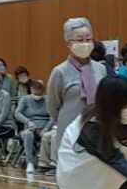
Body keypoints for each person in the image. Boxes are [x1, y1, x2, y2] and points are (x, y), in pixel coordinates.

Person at [46, 17, 108, 161]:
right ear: (69, 44)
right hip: (70, 134)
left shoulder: (100, 69)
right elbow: (53, 107)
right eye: (79, 40)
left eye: (88, 39)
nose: (85, 43)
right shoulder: (59, 72)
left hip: (96, 132)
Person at [15, 80, 52, 173]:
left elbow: (53, 117)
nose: (37, 95)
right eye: (35, 92)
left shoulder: (47, 100)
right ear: (31, 90)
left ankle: (46, 163)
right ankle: (30, 163)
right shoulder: (25, 99)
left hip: (44, 128)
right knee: (28, 135)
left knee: (48, 136)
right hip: (29, 127)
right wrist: (28, 122)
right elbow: (17, 113)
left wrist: (46, 129)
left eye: (39, 92)